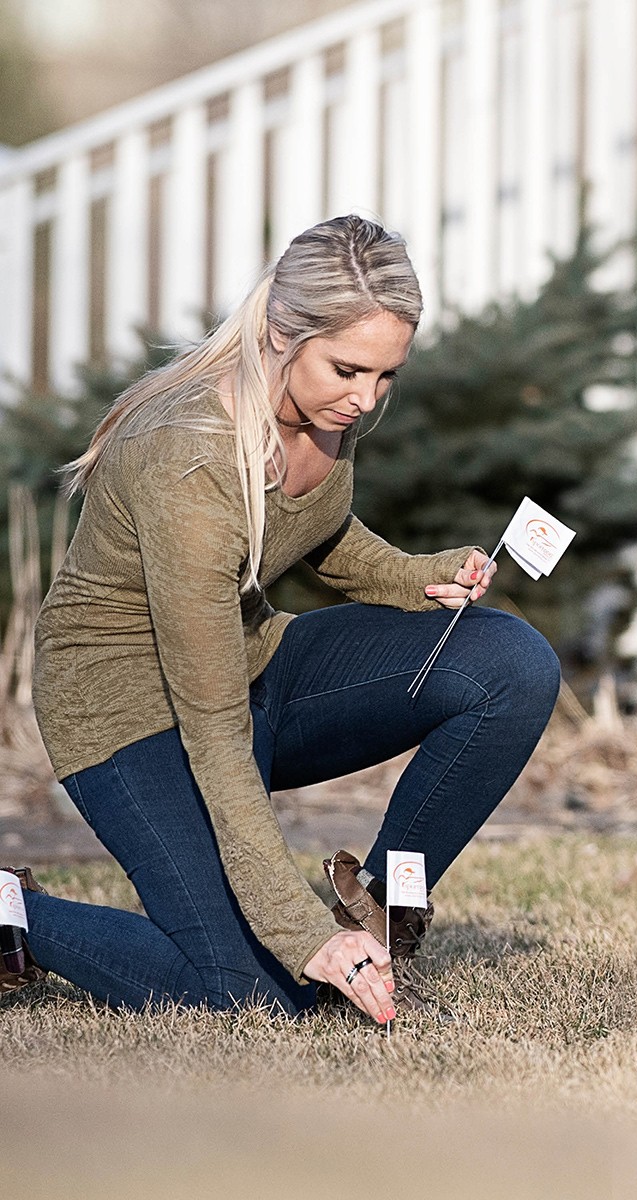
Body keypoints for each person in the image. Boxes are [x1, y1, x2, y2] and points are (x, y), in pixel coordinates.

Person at [0, 214, 561, 1023]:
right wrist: (301, 935)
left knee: (508, 664)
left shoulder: (323, 409)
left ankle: (373, 909)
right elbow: (216, 735)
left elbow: (319, 532)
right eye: (348, 369)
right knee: (246, 996)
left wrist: (416, 576)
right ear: (279, 331)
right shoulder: (189, 463)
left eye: (386, 375)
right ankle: (18, 916)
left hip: (252, 660)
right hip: (127, 711)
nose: (366, 399)